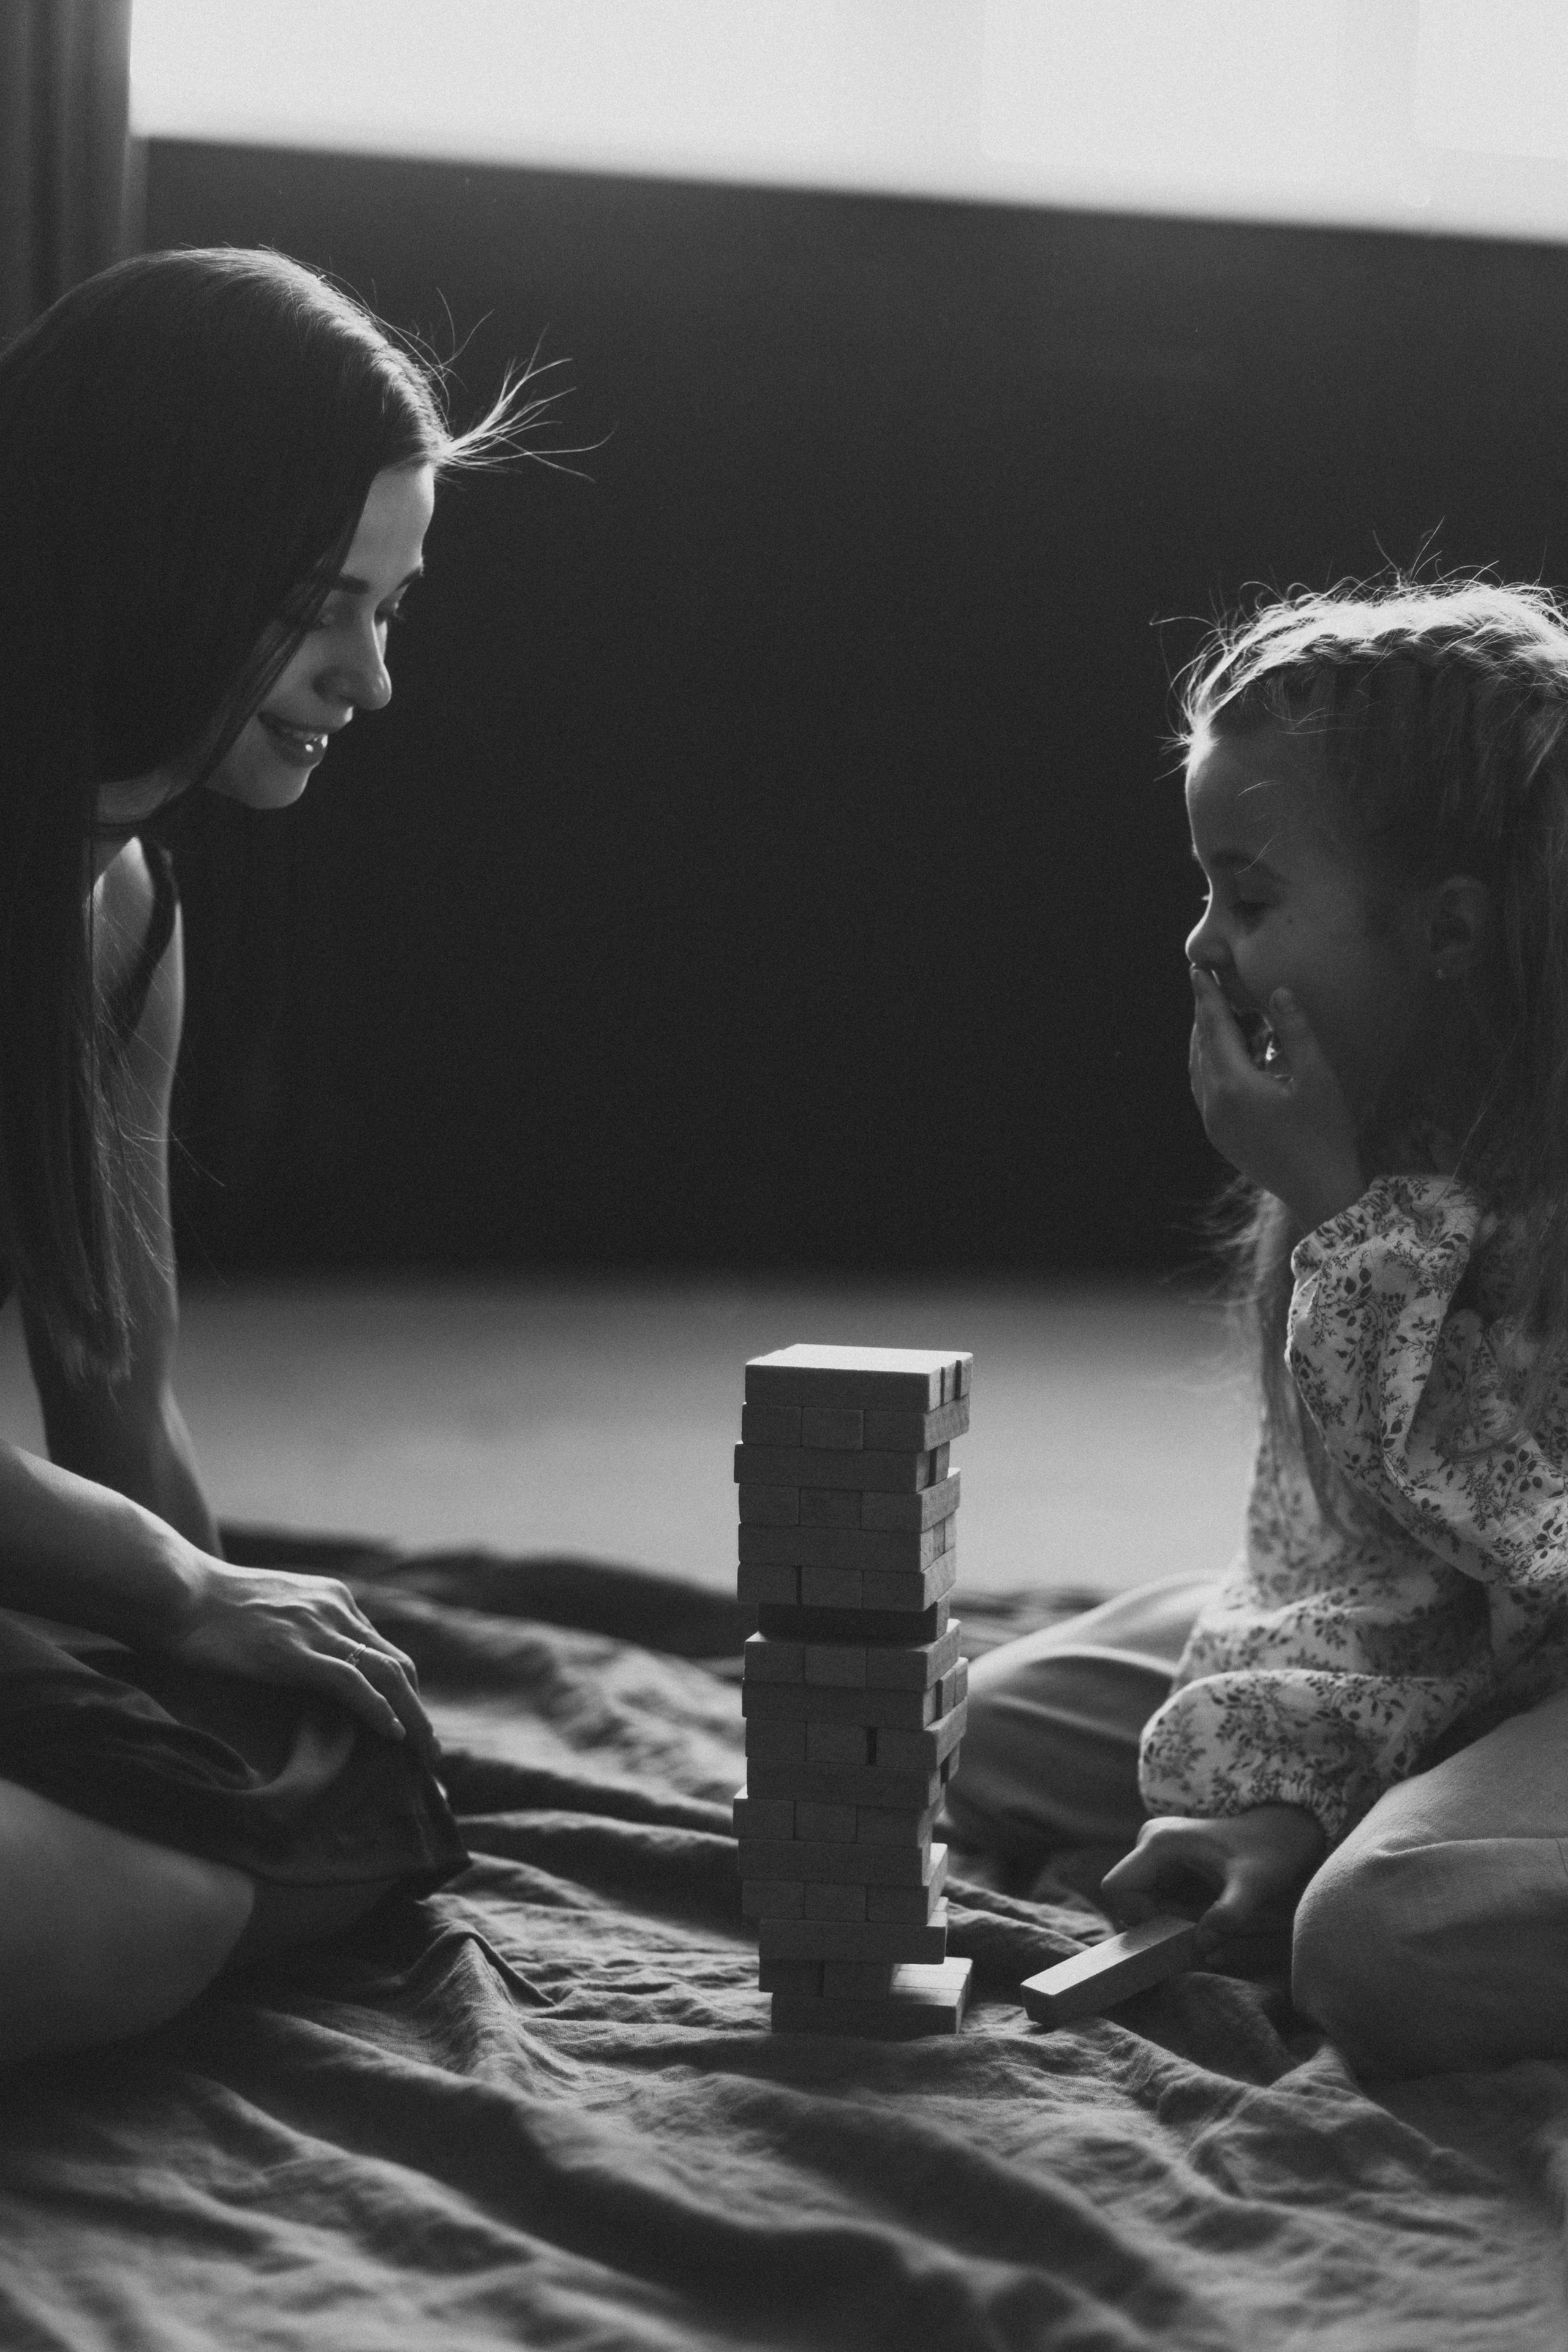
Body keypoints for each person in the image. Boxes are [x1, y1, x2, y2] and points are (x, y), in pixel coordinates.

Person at [0, 245, 539, 2063]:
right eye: (326, 609)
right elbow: (144, 1550)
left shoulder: (117, 901)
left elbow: (117, 1414)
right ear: (168, 563)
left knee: (335, 1813)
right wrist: (182, 1599)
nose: (369, 681)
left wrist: (253, 1671)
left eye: (390, 609)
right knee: (148, 1903)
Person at [944, 578, 1568, 2076]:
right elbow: (1338, 1553)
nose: (1199, 946)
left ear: (1447, 932)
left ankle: (1412, 1860)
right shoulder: (1391, 1115)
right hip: (1448, 1626)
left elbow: (1532, 1557)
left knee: (1375, 1940)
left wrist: (1298, 1801)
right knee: (977, 1725)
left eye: (1250, 895)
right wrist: (1278, 1771)